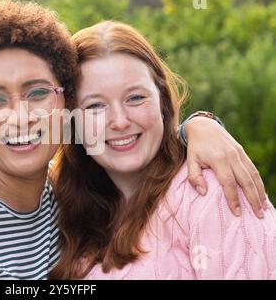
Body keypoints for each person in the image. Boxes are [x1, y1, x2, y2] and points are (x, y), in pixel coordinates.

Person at [0, 0, 267, 280]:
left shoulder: (68, 200)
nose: (20, 116)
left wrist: (199, 125)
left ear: (63, 103)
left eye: (37, 92)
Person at [50, 20, 276, 280]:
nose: (120, 121)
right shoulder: (63, 206)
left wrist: (199, 122)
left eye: (135, 97)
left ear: (163, 101)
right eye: (95, 107)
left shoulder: (211, 189)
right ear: (72, 121)